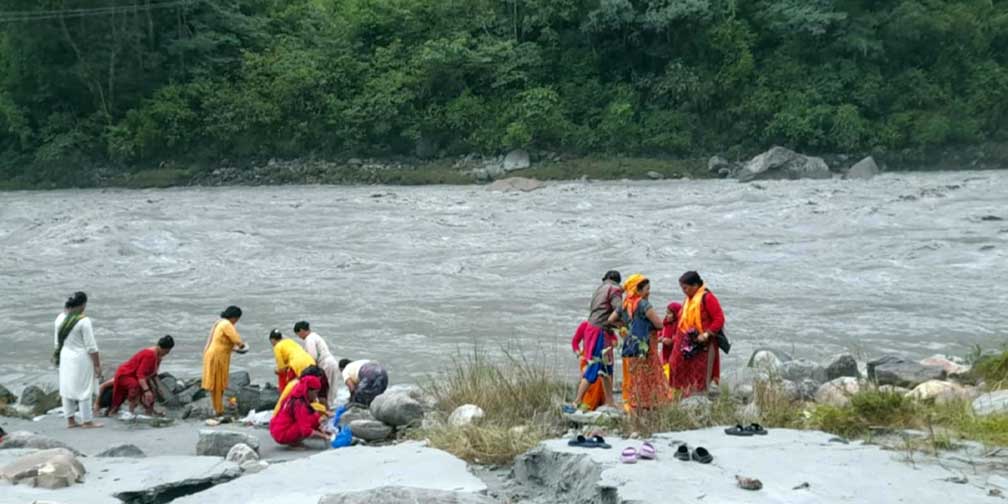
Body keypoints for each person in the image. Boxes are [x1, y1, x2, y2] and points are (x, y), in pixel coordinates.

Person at [610, 274, 670, 412]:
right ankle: (652, 402)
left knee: (635, 374)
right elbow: (659, 325)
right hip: (647, 345)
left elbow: (610, 319)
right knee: (650, 372)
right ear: (638, 290)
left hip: (631, 345)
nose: (649, 292)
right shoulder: (643, 304)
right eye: (647, 289)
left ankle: (635, 402)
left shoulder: (624, 304)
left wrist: (624, 327)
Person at [570, 270, 622, 410]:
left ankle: (610, 402)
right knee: (595, 366)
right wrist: (624, 324)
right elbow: (619, 309)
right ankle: (577, 401)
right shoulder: (615, 289)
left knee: (606, 369)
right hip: (601, 331)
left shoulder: (599, 289)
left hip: (595, 330)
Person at [668, 271, 726, 396]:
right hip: (687, 342)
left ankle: (699, 399)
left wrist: (707, 334)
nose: (683, 291)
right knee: (678, 367)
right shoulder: (689, 299)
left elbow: (719, 318)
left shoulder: (707, 298)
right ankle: (685, 395)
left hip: (703, 343)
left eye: (685, 288)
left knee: (701, 373)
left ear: (695, 286)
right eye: (682, 288)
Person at [55, 291, 103, 428]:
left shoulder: (60, 318)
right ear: (83, 305)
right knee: (84, 389)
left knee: (67, 388)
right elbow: (91, 347)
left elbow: (57, 343)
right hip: (80, 358)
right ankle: (87, 421)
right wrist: (97, 365)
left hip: (65, 356)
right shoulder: (83, 321)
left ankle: (70, 420)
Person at [108, 335, 174, 416]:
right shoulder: (150, 355)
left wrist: (158, 388)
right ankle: (130, 413)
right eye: (166, 352)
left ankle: (149, 413)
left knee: (152, 392)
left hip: (137, 377)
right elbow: (140, 374)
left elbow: (153, 374)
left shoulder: (158, 356)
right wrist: (146, 391)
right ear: (162, 348)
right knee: (135, 386)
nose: (166, 354)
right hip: (126, 374)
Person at [202, 306, 249, 416]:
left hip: (214, 355)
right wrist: (243, 346)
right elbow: (236, 339)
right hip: (217, 356)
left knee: (216, 384)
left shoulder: (220, 323)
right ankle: (218, 410)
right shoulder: (227, 324)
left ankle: (217, 407)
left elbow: (223, 341)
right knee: (218, 384)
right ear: (234, 317)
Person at [269, 375, 329, 448]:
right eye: (315, 393)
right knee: (311, 420)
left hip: (276, 428)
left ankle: (293, 440)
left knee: (314, 417)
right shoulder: (299, 403)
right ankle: (294, 442)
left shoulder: (294, 395)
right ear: (308, 390)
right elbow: (306, 430)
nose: (316, 396)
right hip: (282, 434)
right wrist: (325, 436)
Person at [294, 321, 340, 407]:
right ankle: (332, 406)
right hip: (332, 362)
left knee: (324, 389)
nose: (299, 337)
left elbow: (313, 357)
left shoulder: (309, 339)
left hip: (325, 365)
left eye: (298, 334)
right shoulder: (315, 336)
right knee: (332, 388)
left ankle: (326, 408)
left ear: (301, 331)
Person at [660, 302, 683, 385]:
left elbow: (678, 338)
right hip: (665, 353)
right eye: (666, 313)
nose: (667, 315)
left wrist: (670, 341)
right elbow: (660, 333)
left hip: (675, 354)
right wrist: (660, 338)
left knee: (674, 374)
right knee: (665, 373)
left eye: (669, 313)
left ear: (676, 314)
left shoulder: (679, 325)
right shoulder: (665, 323)